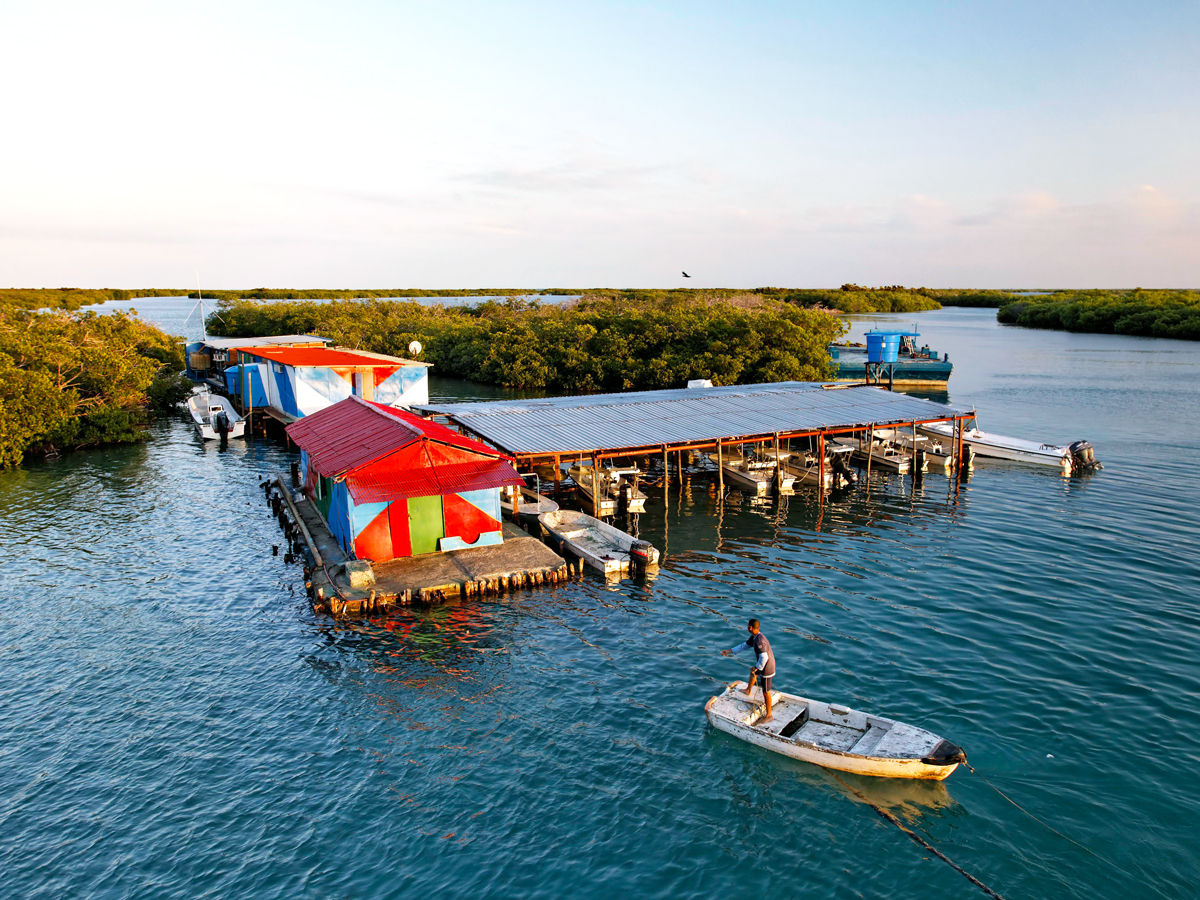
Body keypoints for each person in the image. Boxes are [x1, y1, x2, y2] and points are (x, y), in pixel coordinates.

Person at [721, 618, 776, 723]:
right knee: (753, 673)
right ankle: (748, 690)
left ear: (750, 627)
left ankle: (769, 715)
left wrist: (756, 668)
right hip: (762, 664)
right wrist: (728, 651)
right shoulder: (755, 637)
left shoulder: (760, 640)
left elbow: (764, 657)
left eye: (747, 626)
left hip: (767, 668)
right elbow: (744, 645)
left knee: (766, 692)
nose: (747, 627)